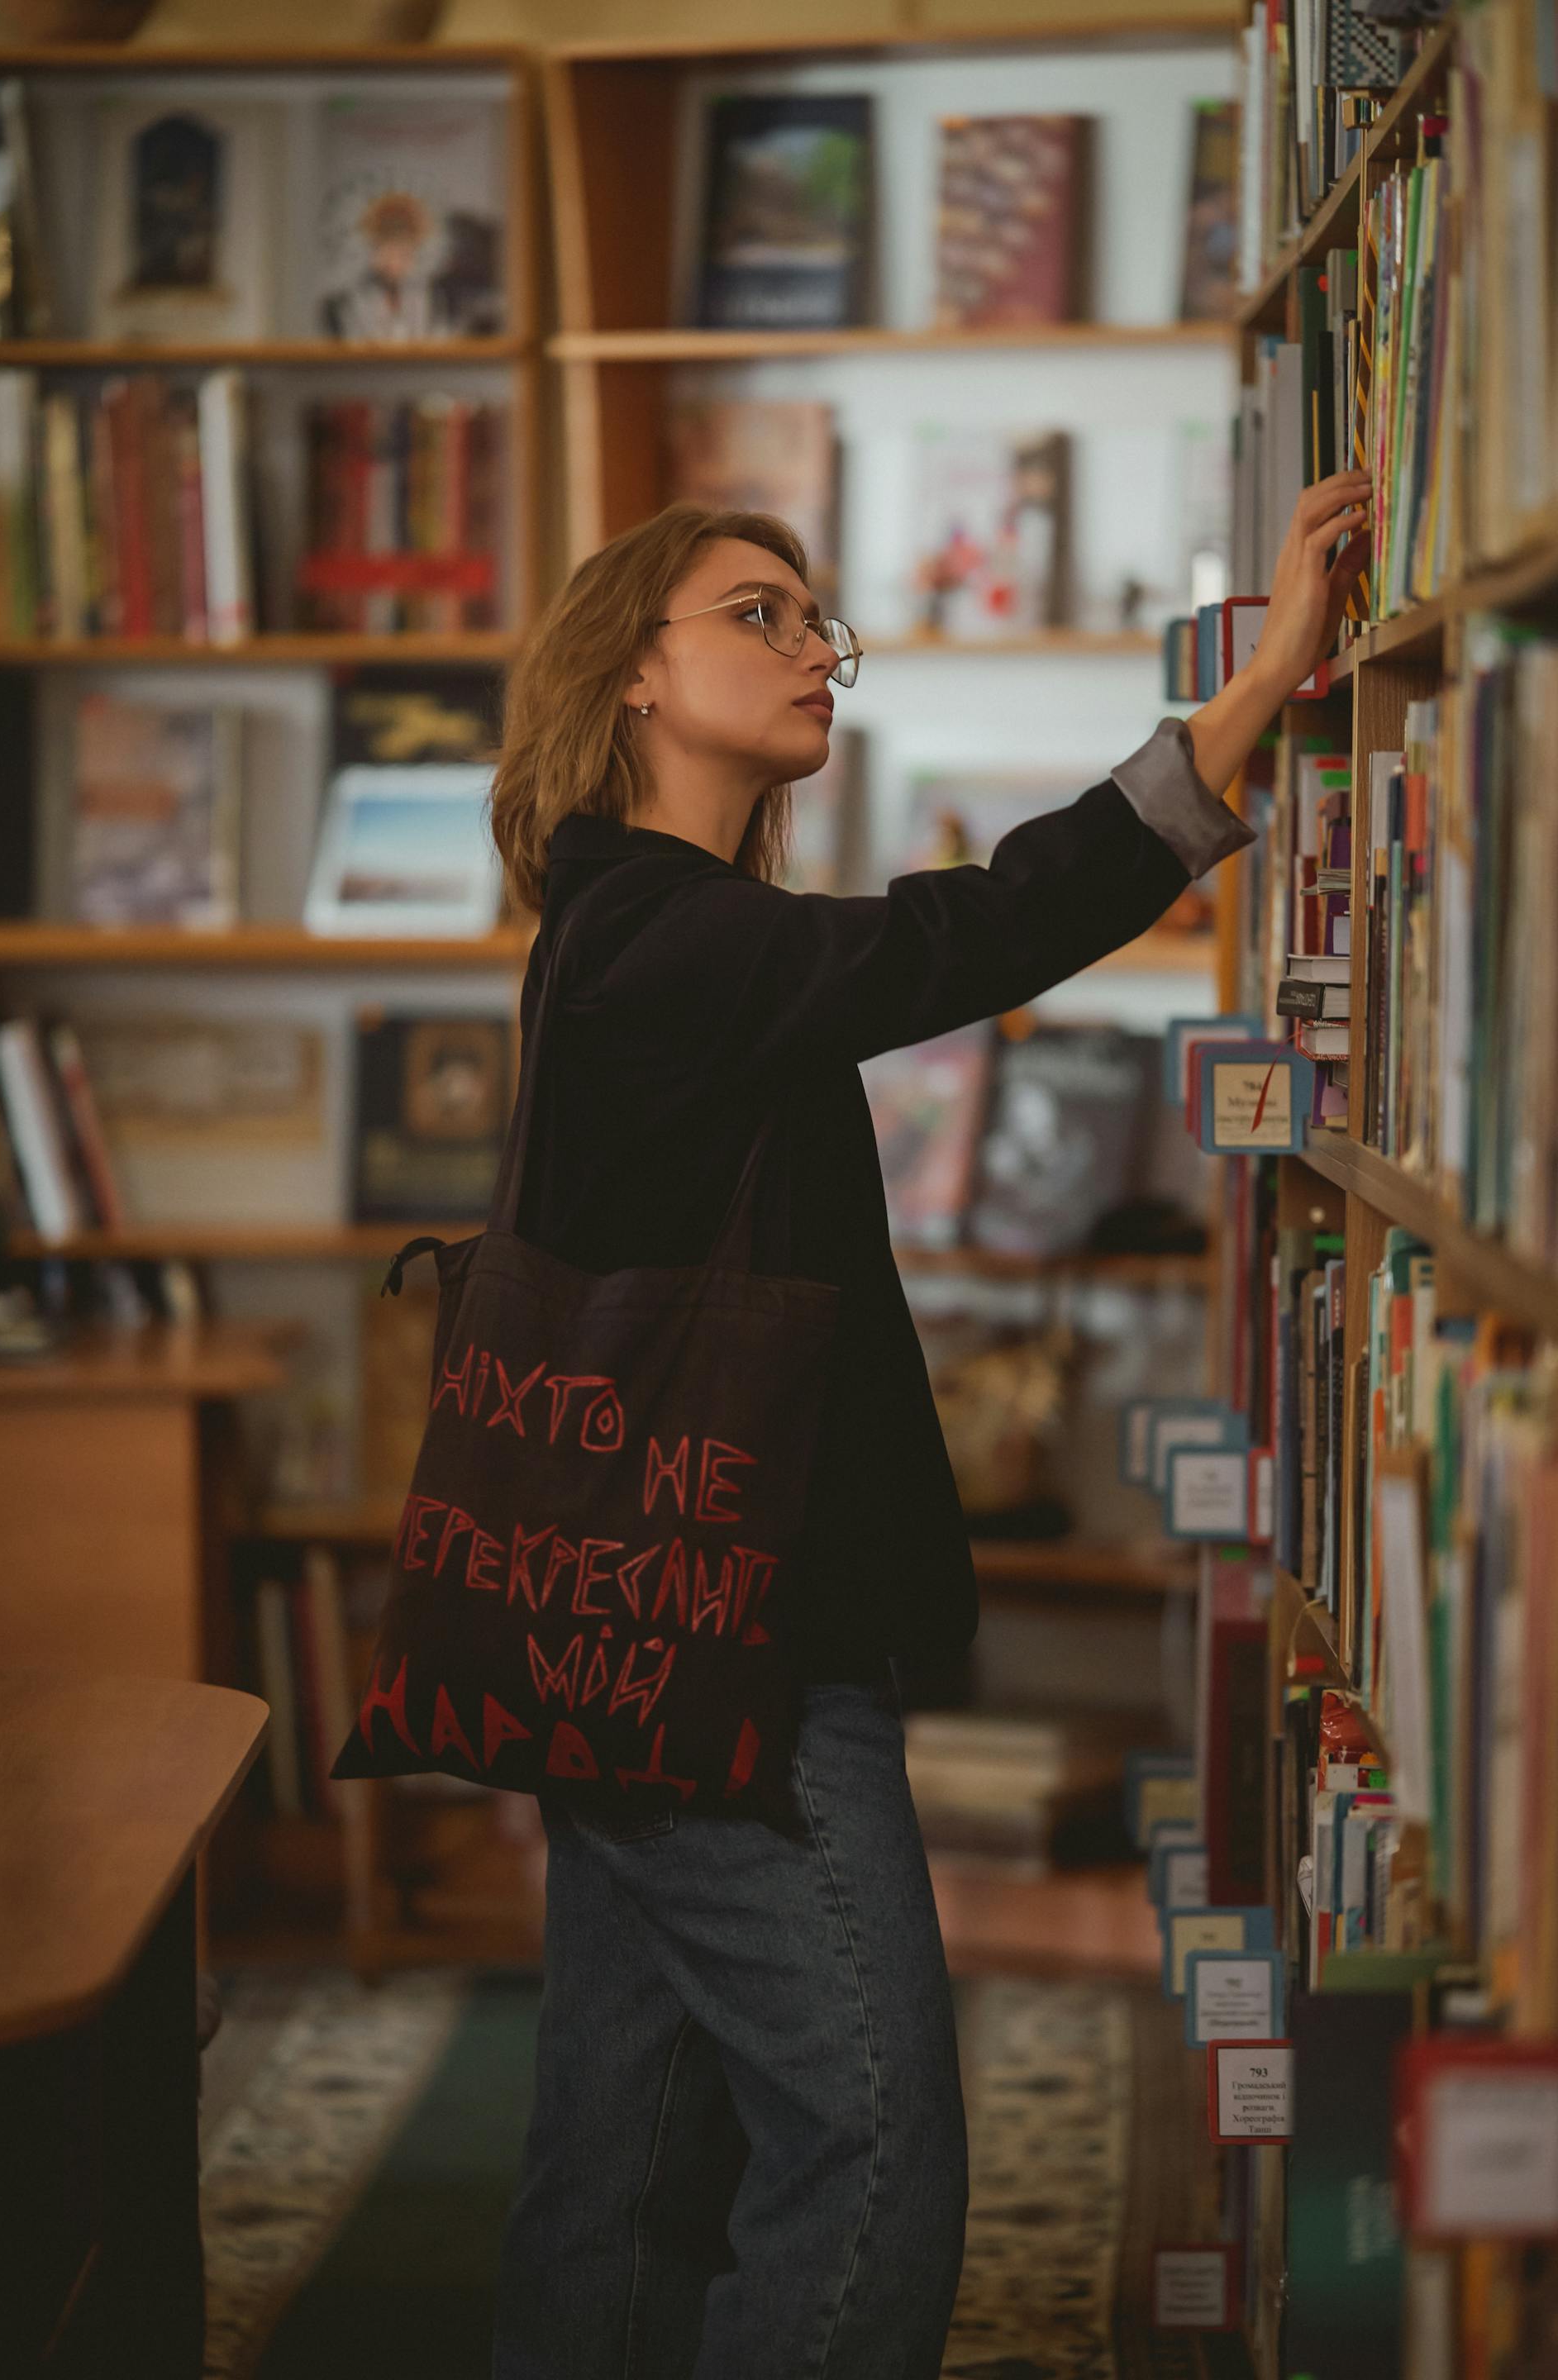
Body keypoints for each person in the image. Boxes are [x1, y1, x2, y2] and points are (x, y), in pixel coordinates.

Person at [485, 472, 1371, 2380]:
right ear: (632, 669)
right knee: (872, 2148)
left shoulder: (649, 925)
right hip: (732, 1652)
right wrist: (1241, 709)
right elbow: (967, 939)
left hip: (632, 1636)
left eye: (824, 626)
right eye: (759, 615)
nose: (815, 651)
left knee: (624, 2167)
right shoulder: (663, 933)